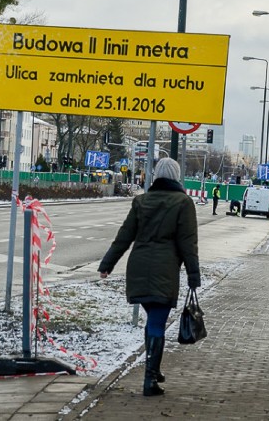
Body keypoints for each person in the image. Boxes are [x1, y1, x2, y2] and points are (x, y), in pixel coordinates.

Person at [97, 157, 200, 397]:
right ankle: (150, 379)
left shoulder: (141, 201)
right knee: (156, 323)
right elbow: (188, 243)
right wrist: (194, 275)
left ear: (156, 176)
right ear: (176, 176)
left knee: (152, 320)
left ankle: (154, 368)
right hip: (164, 270)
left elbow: (124, 236)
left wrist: (107, 264)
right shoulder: (183, 203)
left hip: (138, 268)